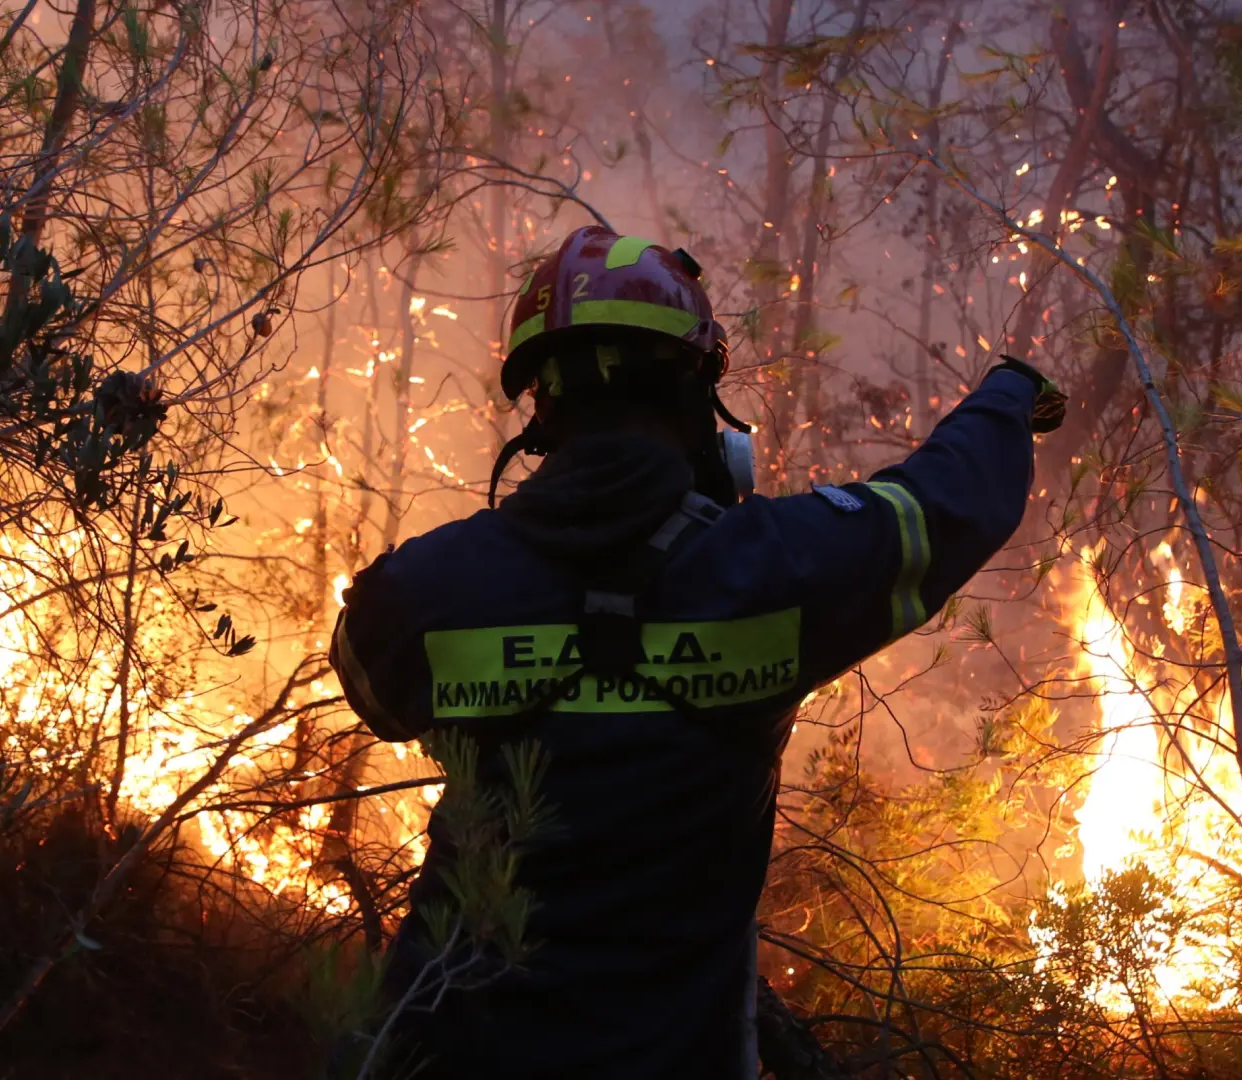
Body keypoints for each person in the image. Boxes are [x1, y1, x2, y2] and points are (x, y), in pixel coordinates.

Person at [328, 225, 1066, 1078]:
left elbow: (373, 690)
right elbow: (941, 504)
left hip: (439, 1056)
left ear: (543, 407)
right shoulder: (777, 570)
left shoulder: (426, 590)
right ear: (695, 393)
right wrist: (1008, 396)